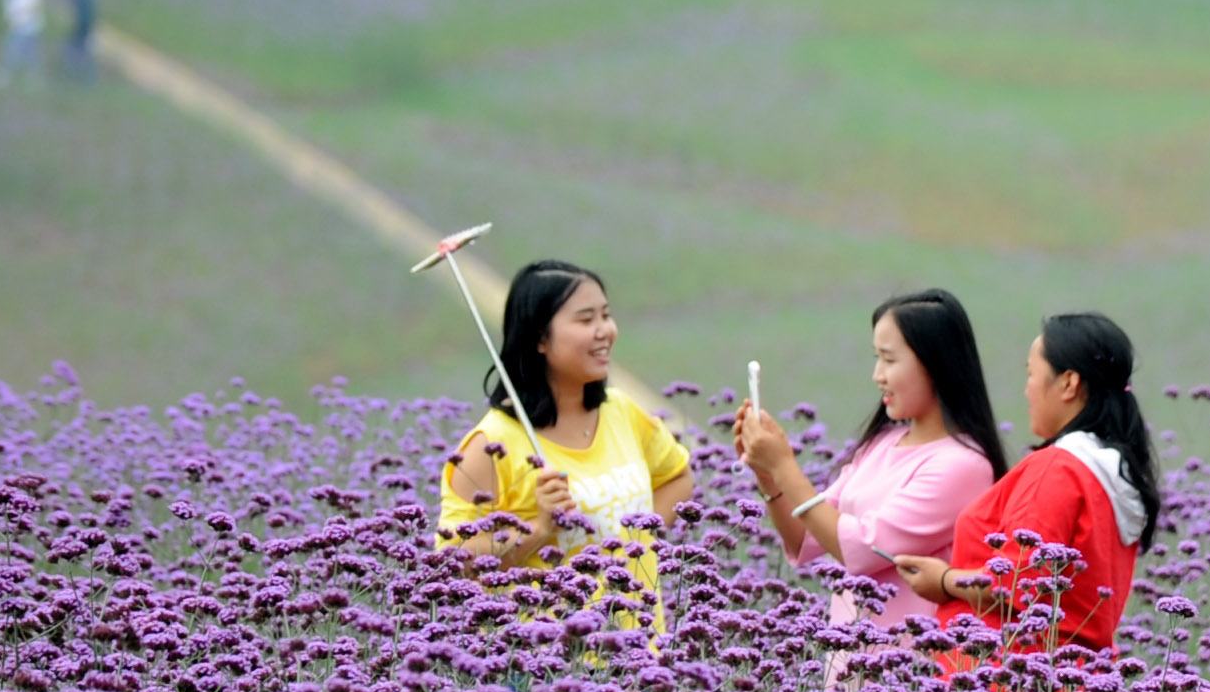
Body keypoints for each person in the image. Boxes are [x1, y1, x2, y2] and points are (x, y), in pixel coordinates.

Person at [732, 290, 1007, 644]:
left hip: (905, 678)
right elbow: (806, 537)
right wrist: (766, 472)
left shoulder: (963, 466)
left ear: (935, 364)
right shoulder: (881, 444)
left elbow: (862, 549)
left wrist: (784, 465)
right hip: (850, 670)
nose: (878, 375)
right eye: (876, 358)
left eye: (890, 360)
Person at [437, 260, 693, 628]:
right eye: (586, 320)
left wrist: (634, 546)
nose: (604, 330)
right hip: (542, 670)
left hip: (641, 660)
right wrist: (536, 530)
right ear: (539, 338)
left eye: (605, 315)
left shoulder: (621, 412)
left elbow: (677, 477)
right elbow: (450, 567)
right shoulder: (490, 444)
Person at [895, 311, 1159, 666]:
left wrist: (942, 581)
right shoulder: (1111, 472)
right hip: (1074, 683)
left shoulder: (1057, 468)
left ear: (1068, 383)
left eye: (1031, 374)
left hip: (1011, 683)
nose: (1027, 389)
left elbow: (1016, 583)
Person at [0, 0, 45, 89]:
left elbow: (36, 4)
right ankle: (30, 78)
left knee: (18, 53)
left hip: (27, 28)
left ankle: (7, 76)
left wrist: (21, 12)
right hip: (19, 28)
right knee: (24, 54)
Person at [62, 0, 97, 79]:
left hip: (82, 30)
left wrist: (78, 29)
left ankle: (80, 78)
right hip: (83, 29)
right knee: (81, 56)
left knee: (76, 55)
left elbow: (84, 16)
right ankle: (80, 78)